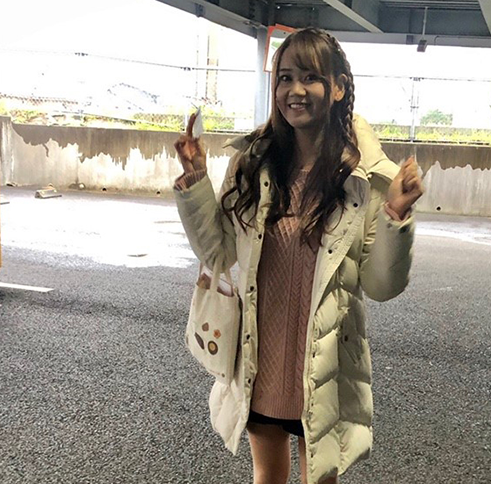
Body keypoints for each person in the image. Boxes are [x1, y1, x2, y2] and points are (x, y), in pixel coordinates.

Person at [173, 27, 423, 484]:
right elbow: (219, 252)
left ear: (339, 87)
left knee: (320, 480)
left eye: (310, 77)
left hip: (325, 365)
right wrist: (195, 183)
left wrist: (395, 216)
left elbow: (382, 286)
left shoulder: (365, 178)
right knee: (267, 475)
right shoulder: (253, 163)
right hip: (259, 358)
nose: (295, 90)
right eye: (285, 78)